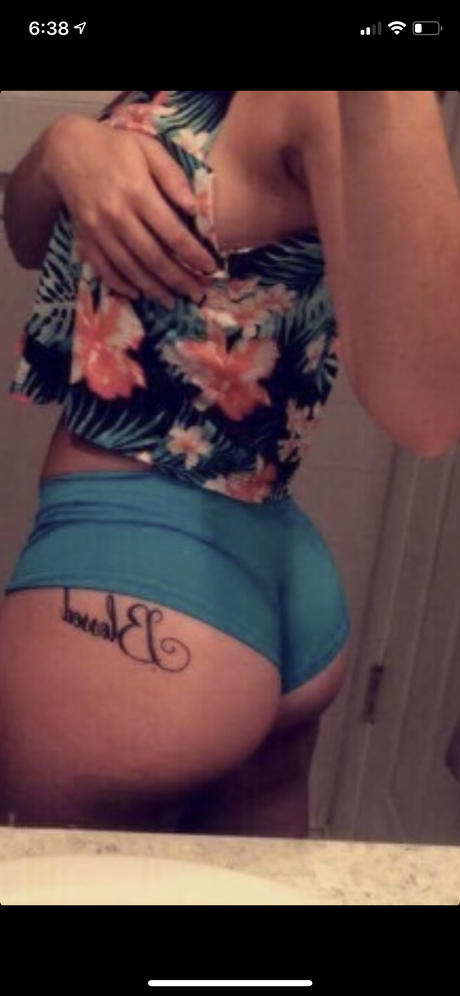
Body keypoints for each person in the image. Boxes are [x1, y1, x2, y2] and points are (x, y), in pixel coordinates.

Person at [0, 90, 458, 837]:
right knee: (247, 904)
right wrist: (64, 146)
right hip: (260, 566)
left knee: (62, 883)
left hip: (134, 579)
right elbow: (27, 238)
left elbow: (427, 409)